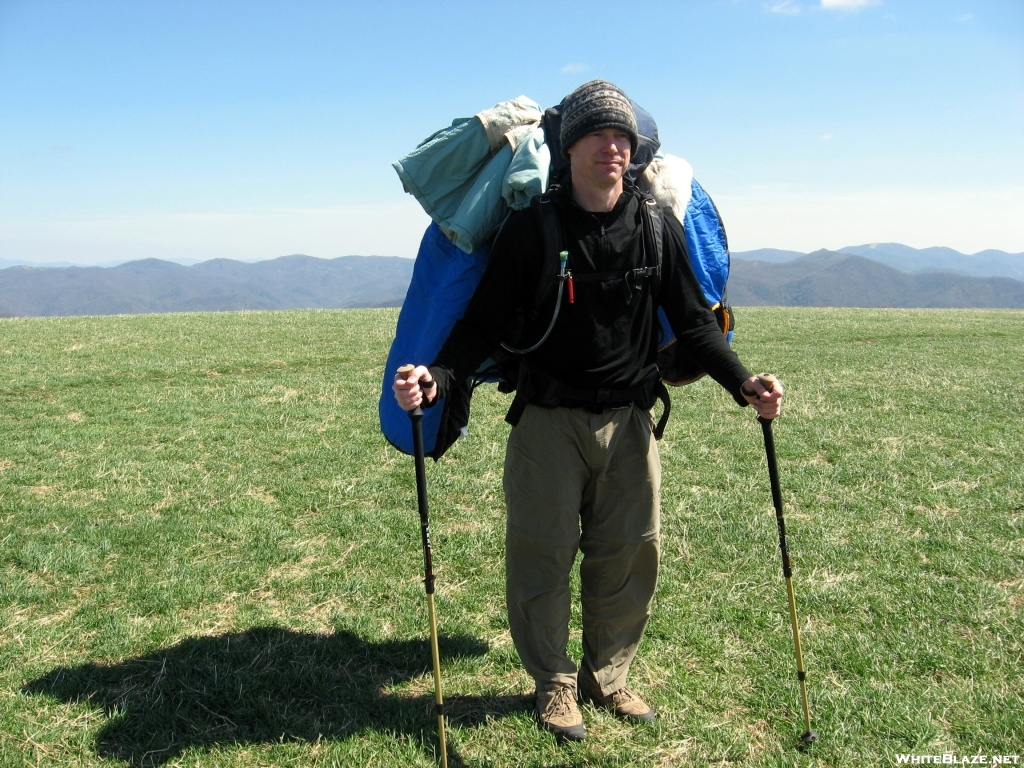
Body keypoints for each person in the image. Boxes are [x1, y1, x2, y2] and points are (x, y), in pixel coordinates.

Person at [394, 80, 783, 742]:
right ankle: (553, 685)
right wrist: (437, 377)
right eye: (600, 134)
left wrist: (744, 382)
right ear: (570, 147)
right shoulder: (534, 228)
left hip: (631, 422)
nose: (614, 146)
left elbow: (692, 324)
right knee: (541, 556)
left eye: (623, 137)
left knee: (629, 556)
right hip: (547, 422)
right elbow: (482, 323)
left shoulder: (654, 226)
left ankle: (609, 677)